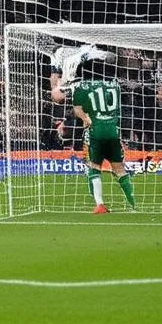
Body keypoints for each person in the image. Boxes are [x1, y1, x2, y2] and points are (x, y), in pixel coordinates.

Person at [63, 56, 136, 214]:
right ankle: (133, 204)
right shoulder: (114, 85)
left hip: (95, 131)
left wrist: (85, 118)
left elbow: (77, 109)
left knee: (94, 167)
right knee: (119, 168)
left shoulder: (82, 86)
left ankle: (100, 204)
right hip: (112, 130)